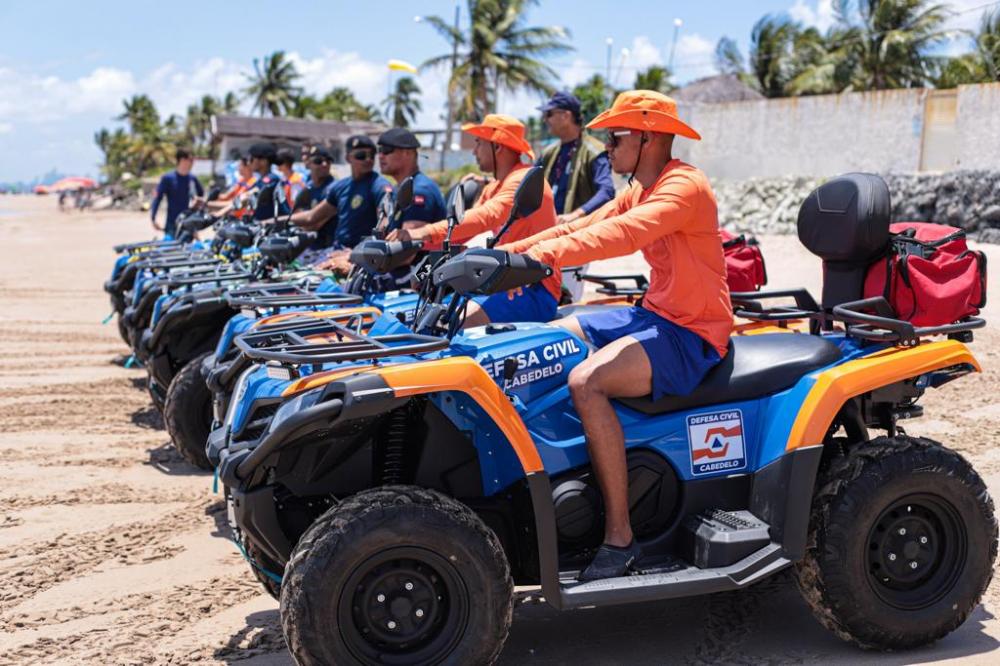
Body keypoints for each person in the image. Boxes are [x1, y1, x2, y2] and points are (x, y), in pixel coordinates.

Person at [502, 91, 733, 580]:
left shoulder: (684, 187)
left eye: (615, 137)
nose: (607, 147)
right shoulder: (640, 187)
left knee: (588, 382)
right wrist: (504, 254)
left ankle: (620, 537)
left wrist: (542, 260)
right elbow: (590, 221)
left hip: (690, 334)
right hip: (652, 315)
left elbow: (622, 236)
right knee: (546, 338)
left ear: (647, 138)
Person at [387, 115, 561, 326]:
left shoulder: (522, 179)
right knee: (424, 318)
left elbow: (485, 217)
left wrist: (420, 232)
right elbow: (460, 233)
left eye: (479, 143)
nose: (473, 151)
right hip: (503, 282)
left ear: (497, 147)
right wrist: (418, 252)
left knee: (445, 325)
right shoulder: (493, 187)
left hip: (532, 288)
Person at [537, 91, 616, 301]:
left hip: (574, 237)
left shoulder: (594, 151)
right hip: (546, 234)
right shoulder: (549, 152)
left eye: (550, 114)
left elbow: (607, 191)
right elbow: (524, 183)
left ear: (566, 116)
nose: (546, 120)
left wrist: (575, 215)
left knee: (566, 298)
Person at [290, 135, 392, 249]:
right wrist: (280, 220)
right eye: (361, 156)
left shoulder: (379, 186)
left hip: (360, 255)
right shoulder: (340, 187)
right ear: (348, 158)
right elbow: (312, 217)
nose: (368, 159)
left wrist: (357, 254)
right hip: (336, 251)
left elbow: (385, 227)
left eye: (372, 155)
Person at [150, 148, 204, 237]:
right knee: (168, 248)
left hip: (189, 223)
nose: (192, 162)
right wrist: (153, 218)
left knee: (188, 249)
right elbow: (158, 198)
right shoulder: (168, 178)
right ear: (182, 160)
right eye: (190, 160)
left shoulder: (192, 179)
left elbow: (201, 195)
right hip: (172, 223)